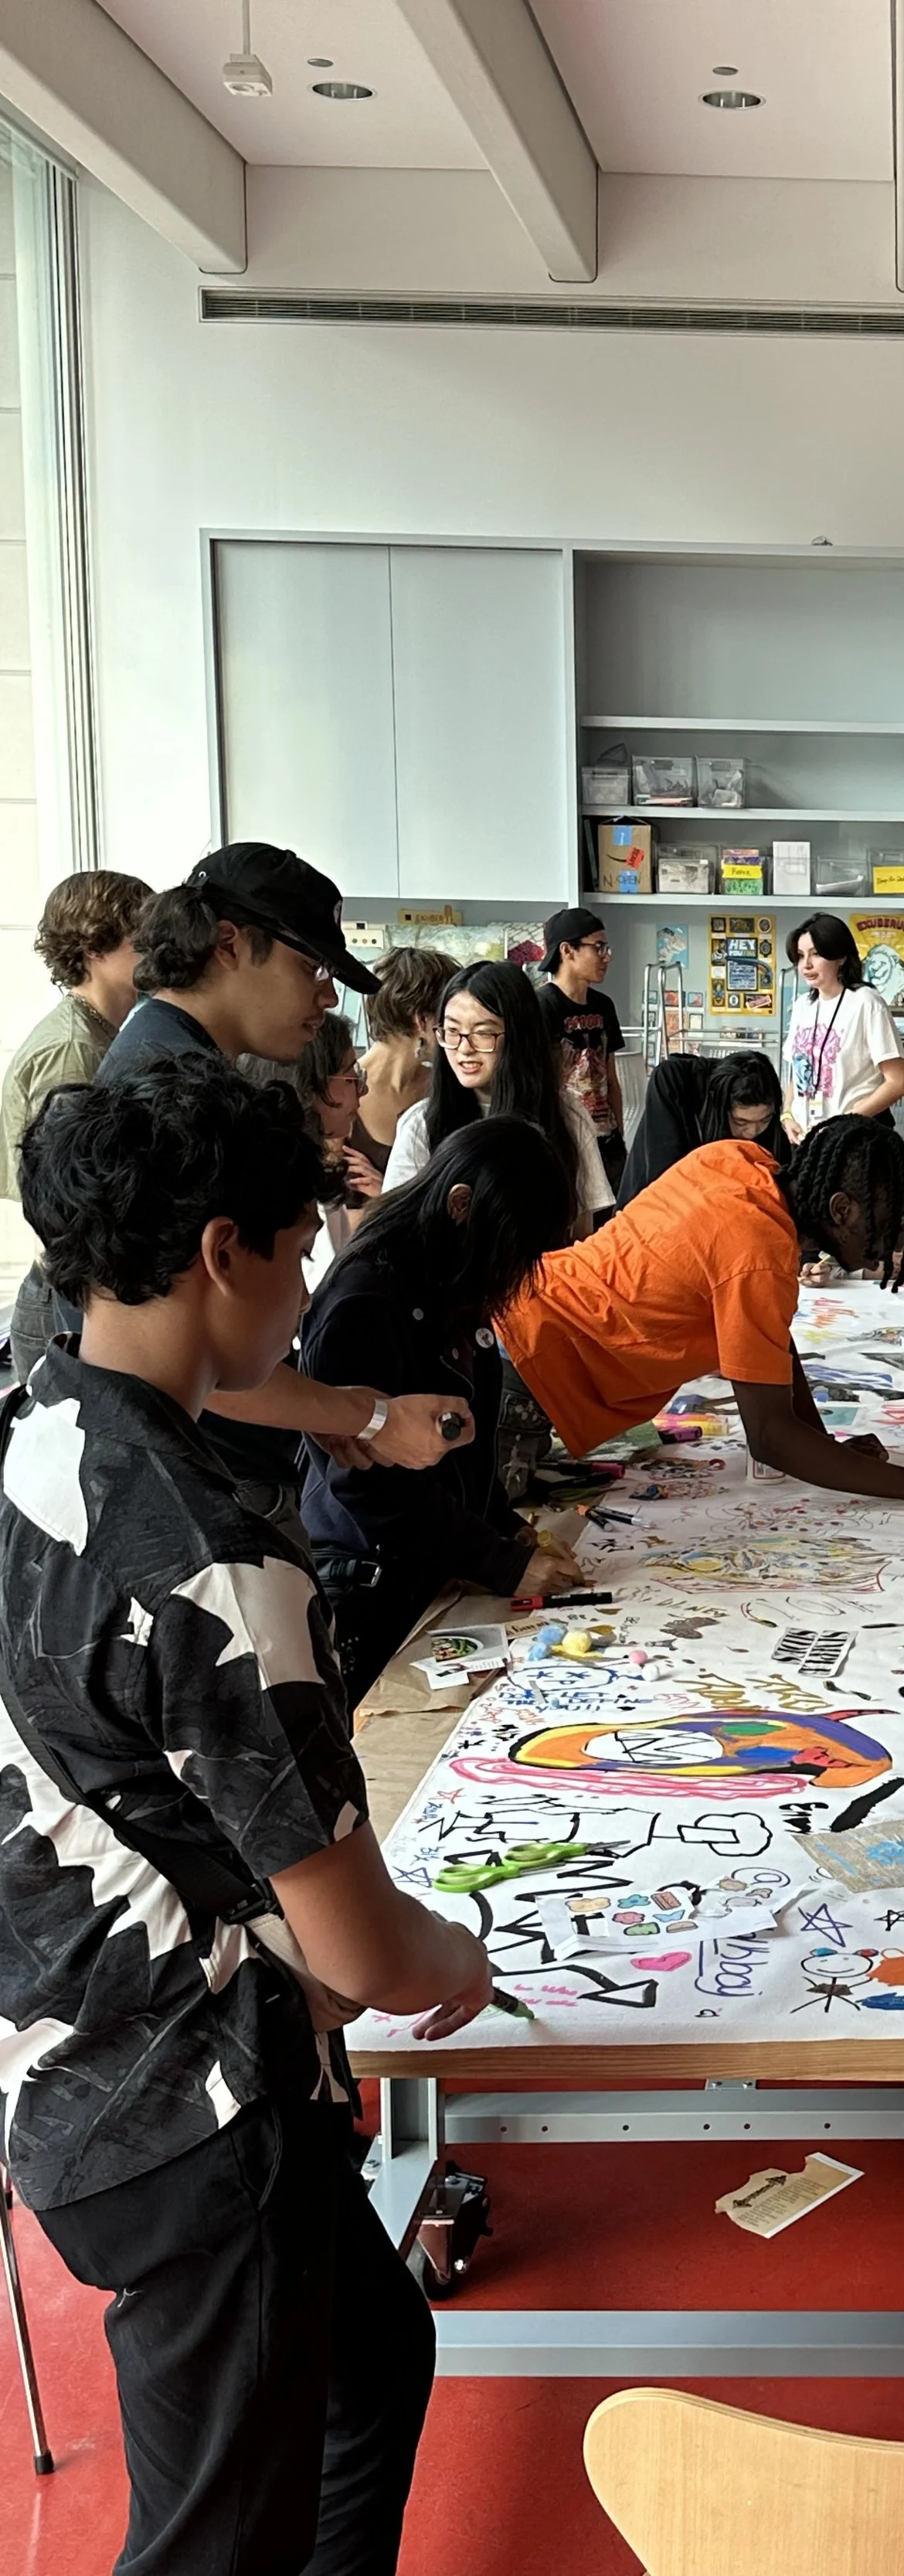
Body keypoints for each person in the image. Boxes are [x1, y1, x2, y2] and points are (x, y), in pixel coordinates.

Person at [0, 1053, 494, 2576]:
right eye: (298, 1247)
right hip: (191, 2111)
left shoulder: (37, 1432)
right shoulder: (213, 1552)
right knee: (216, 2538)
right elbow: (355, 1933)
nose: (307, 1288)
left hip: (70, 2050)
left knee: (367, 2368)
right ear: (225, 1250)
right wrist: (447, 1958)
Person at [82, 846, 472, 1528]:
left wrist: (330, 1409)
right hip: (204, 1483)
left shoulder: (182, 1060)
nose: (326, 997)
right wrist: (370, 1415)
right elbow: (179, 1339)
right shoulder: (170, 1094)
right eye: (311, 967)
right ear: (229, 944)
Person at [496, 1114, 904, 1506]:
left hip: (512, 1313)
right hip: (522, 1372)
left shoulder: (739, 1160)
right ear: (842, 1211)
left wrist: (824, 1446)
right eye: (892, 1224)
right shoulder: (760, 1255)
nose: (896, 1245)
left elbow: (769, 1343)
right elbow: (771, 1436)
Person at [301, 1120, 584, 1703]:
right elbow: (369, 1484)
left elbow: (466, 1443)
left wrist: (505, 1528)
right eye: (511, 1253)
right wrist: (499, 1562)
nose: (511, 1276)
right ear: (461, 1206)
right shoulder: (367, 1301)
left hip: (434, 1567)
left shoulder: (443, 1278)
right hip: (369, 1584)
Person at [2, 867, 150, 1378]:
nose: (153, 948)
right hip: (64, 1305)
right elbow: (71, 1193)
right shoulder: (75, 1047)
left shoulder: (97, 1035)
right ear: (94, 948)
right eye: (139, 936)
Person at [386, 959, 610, 1227]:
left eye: (483, 1033)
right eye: (453, 1031)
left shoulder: (566, 1116)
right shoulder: (421, 1125)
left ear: (519, 1036)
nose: (464, 1048)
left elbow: (583, 1231)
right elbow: (399, 1234)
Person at [783, 914, 904, 1131]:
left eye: (816, 954)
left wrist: (846, 1122)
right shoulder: (803, 1006)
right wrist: (787, 1115)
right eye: (801, 956)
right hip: (808, 1139)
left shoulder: (866, 1002)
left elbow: (898, 1082)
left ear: (840, 957)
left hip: (854, 1137)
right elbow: (799, 1073)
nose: (806, 965)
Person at [535, 906, 630, 1195]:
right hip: (564, 1142)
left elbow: (611, 1078)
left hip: (606, 1140)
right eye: (598, 947)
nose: (607, 956)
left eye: (607, 947)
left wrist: (619, 1137)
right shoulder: (541, 1006)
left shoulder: (604, 1006)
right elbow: (540, 1084)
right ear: (568, 950)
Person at [620, 1047, 790, 1201]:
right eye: (741, 1122)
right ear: (721, 1108)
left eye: (764, 1120)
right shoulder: (674, 1082)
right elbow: (666, 1176)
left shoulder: (770, 1130)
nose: (752, 1132)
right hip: (659, 1206)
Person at [292, 1013, 384, 1285]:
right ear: (310, 1087)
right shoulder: (282, 1185)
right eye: (350, 1074)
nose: (362, 1090)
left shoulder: (317, 1176)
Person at [355, 944, 457, 1170]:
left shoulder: (448, 1086)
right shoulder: (339, 1088)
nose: (457, 1032)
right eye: (451, 1019)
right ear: (422, 1021)